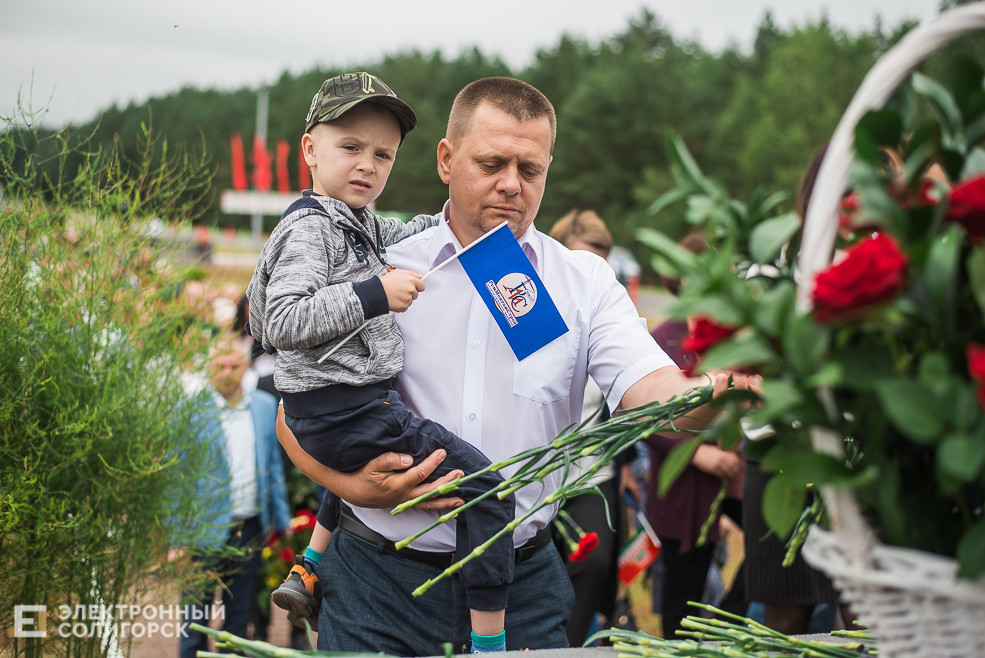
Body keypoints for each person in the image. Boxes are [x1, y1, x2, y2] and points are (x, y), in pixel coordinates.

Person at [275, 76, 748, 656]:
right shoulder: (379, 265)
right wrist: (350, 486)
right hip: (376, 584)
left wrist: (708, 394)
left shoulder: (583, 283)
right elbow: (294, 408)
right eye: (491, 163)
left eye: (530, 170)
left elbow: (651, 388)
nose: (510, 184)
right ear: (446, 160)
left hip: (519, 592)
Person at [246, 72, 517, 650]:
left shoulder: (358, 221)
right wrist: (375, 293)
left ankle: (309, 566)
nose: (367, 166)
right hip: (342, 408)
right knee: (489, 491)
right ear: (310, 150)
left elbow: (418, 231)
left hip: (337, 411)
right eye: (351, 147)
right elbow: (282, 322)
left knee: (377, 437)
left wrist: (463, 216)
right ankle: (490, 645)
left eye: (383, 154)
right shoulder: (311, 231)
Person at [547, 209, 640, 646]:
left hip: (591, 475)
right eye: (581, 262)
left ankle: (569, 647)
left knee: (595, 563)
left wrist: (625, 464)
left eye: (599, 265)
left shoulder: (610, 318)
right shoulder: (529, 314)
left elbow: (623, 397)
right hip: (533, 474)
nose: (589, 276)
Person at [647, 234, 747, 638]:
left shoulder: (733, 337)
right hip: (682, 485)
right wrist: (698, 454)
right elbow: (644, 415)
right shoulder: (662, 338)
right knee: (683, 591)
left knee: (772, 551)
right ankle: (681, 646)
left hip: (733, 477)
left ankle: (724, 626)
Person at [180, 333, 291, 658]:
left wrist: (282, 520)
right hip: (203, 529)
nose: (227, 372)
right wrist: (177, 537)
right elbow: (177, 478)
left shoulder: (265, 406)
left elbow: (272, 467)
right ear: (209, 367)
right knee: (195, 617)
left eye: (234, 365)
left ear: (246, 367)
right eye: (220, 366)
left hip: (250, 527)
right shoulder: (190, 410)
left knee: (239, 616)